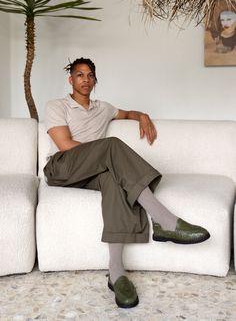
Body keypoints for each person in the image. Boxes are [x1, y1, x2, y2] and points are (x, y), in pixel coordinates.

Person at [44, 57, 210, 309]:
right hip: (62, 167)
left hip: (92, 172)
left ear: (95, 80)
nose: (85, 79)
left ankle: (116, 272)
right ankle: (164, 220)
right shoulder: (57, 106)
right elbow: (65, 146)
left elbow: (128, 113)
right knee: (111, 148)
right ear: (71, 80)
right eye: (79, 75)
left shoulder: (104, 108)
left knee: (113, 179)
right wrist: (102, 154)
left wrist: (142, 116)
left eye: (90, 75)